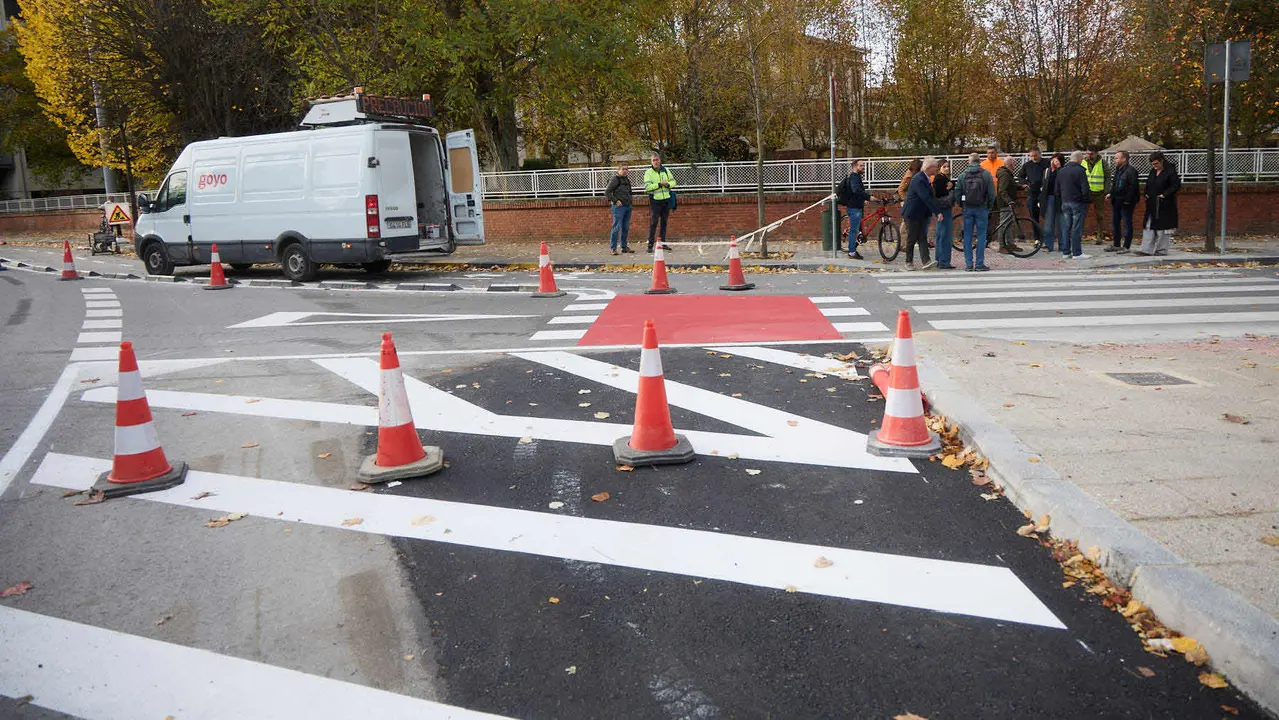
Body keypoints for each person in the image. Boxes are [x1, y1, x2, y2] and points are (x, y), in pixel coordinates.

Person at [901, 157, 942, 270]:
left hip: (922, 213)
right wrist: (937, 212)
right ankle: (908, 262)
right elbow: (925, 197)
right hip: (912, 212)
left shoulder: (926, 178)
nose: (937, 169)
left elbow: (930, 197)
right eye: (936, 167)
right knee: (912, 237)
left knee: (922, 237)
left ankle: (926, 261)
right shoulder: (919, 179)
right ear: (930, 167)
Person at [1137, 151, 1181, 256]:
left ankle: (1161, 250)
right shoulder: (1153, 171)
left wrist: (1164, 194)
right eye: (1152, 164)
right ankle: (1146, 249)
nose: (1154, 166)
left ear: (1162, 161)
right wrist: (1146, 193)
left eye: (1156, 164)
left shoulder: (1170, 171)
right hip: (1152, 203)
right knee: (1148, 225)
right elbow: (1149, 183)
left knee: (1163, 229)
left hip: (1165, 204)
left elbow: (1176, 186)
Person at [957, 152, 995, 271]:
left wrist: (962, 205)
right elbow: (992, 194)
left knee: (967, 236)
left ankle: (968, 264)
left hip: (967, 208)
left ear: (969, 161)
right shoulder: (986, 175)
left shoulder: (962, 175)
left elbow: (957, 192)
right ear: (979, 161)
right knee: (981, 236)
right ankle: (979, 264)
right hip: (981, 208)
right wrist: (988, 206)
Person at [1057, 150, 1093, 260]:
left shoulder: (1061, 171)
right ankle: (1077, 253)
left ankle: (1066, 252)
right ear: (1078, 159)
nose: (1082, 161)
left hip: (1065, 201)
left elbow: (1057, 188)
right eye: (1082, 159)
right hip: (1078, 202)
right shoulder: (1080, 171)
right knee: (1076, 228)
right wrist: (1087, 200)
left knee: (1066, 228)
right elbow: (1085, 188)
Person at [1105, 151, 1140, 253]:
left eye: (1116, 158)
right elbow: (1115, 184)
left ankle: (1126, 246)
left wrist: (1128, 201)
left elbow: (1133, 187)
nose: (1114, 160)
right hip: (1116, 201)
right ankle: (1116, 244)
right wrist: (1110, 193)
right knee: (1115, 223)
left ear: (1124, 159)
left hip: (1126, 202)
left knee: (1127, 223)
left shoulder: (1131, 171)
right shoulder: (1118, 170)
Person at [837, 159, 872, 260]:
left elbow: (856, 192)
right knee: (854, 231)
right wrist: (868, 197)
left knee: (856, 229)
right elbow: (855, 190)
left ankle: (853, 248)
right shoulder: (854, 177)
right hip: (854, 207)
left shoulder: (856, 177)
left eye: (863, 165)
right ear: (855, 167)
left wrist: (863, 200)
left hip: (857, 206)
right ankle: (852, 252)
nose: (863, 167)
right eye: (861, 166)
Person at [643, 153, 677, 252]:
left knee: (664, 222)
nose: (656, 162)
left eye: (657, 160)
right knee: (654, 223)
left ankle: (663, 243)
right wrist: (659, 184)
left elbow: (674, 182)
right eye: (654, 160)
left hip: (666, 199)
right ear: (651, 162)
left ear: (660, 160)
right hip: (655, 200)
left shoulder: (665, 170)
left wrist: (668, 184)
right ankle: (650, 245)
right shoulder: (648, 172)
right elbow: (648, 187)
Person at [604, 163, 635, 255]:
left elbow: (629, 192)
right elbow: (607, 192)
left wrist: (630, 202)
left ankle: (624, 247)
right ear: (619, 170)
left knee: (625, 228)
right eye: (623, 169)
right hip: (618, 207)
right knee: (616, 227)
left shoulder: (627, 179)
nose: (625, 171)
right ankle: (613, 248)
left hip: (627, 206)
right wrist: (616, 200)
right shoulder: (615, 179)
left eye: (626, 169)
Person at [1083, 146, 1111, 245]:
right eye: (1087, 153)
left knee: (1100, 215)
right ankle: (1079, 235)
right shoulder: (1083, 162)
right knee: (1081, 214)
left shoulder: (1102, 162)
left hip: (1099, 192)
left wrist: (1106, 191)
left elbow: (1108, 176)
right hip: (1085, 193)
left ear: (1096, 153)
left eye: (1091, 154)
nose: (1089, 156)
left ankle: (1099, 236)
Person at [995, 156, 1022, 254]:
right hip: (1005, 203)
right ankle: (1002, 246)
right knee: (1004, 224)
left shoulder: (1007, 174)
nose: (1015, 165)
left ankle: (1010, 244)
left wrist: (1020, 187)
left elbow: (1012, 184)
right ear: (1010, 164)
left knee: (1009, 224)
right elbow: (1002, 190)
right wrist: (1009, 201)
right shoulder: (1005, 175)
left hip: (1007, 202)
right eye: (1014, 163)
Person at [1017, 147, 1048, 235]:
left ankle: (1047, 237)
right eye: (1031, 156)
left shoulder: (1047, 163)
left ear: (1040, 154)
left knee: (1047, 217)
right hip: (1032, 193)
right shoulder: (1027, 165)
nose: (1033, 158)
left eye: (1035, 155)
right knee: (1033, 217)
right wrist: (1025, 183)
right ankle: (1037, 238)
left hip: (1044, 193)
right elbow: (1020, 177)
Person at [933, 160, 957, 269]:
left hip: (941, 208)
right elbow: (939, 192)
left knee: (941, 234)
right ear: (939, 168)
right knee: (945, 235)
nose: (947, 168)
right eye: (944, 166)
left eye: (948, 166)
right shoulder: (939, 179)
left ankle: (940, 259)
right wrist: (950, 188)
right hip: (944, 208)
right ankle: (944, 261)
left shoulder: (942, 178)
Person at [1040, 153, 1065, 254]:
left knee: (1061, 223)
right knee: (1048, 223)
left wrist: (1059, 168)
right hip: (1049, 198)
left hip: (1060, 199)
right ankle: (1048, 245)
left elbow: (1063, 181)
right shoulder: (1046, 171)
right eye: (1052, 160)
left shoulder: (1063, 171)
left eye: (1056, 160)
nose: (1053, 162)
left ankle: (1063, 245)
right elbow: (1044, 186)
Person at [980, 146, 1002, 250]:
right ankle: (986, 240)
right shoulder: (983, 164)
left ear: (996, 153)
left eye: (992, 152)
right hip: (987, 196)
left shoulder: (1001, 163)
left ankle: (1001, 240)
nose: (990, 155)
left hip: (999, 195)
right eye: (988, 153)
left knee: (1001, 218)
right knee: (987, 218)